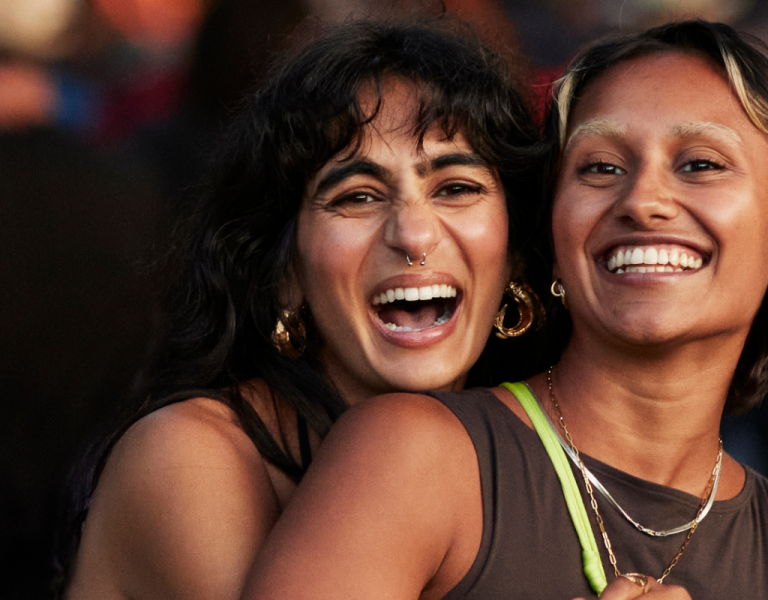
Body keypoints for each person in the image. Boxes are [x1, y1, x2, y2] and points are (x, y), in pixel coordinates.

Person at [241, 20, 768, 600]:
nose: (643, 200)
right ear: (550, 234)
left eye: (701, 164)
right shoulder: (414, 457)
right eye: (600, 167)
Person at [63, 17, 542, 599]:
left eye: (455, 187)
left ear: (514, 255)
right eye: (357, 196)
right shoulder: (187, 457)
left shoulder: (526, 446)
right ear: (285, 271)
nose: (414, 234)